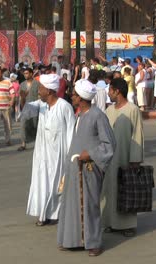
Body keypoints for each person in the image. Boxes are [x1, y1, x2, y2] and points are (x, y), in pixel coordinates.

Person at [57, 79, 116, 257]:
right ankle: (75, 240)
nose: (71, 97)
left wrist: (89, 154)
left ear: (81, 98)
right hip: (74, 169)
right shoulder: (80, 115)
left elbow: (109, 144)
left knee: (89, 206)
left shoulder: (98, 115)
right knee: (72, 204)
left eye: (74, 95)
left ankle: (94, 242)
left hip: (89, 168)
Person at [24, 74, 75, 226]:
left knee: (56, 184)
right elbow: (26, 112)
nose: (38, 90)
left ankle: (57, 214)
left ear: (50, 91)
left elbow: (71, 132)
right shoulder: (41, 105)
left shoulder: (65, 107)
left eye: (41, 88)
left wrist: (71, 155)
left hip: (59, 155)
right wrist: (21, 99)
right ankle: (42, 214)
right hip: (42, 153)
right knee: (41, 182)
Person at [102, 78, 144, 237]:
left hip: (126, 158)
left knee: (126, 190)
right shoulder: (108, 111)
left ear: (117, 91)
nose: (108, 93)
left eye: (110, 90)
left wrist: (135, 159)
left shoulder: (133, 110)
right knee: (109, 190)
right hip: (109, 159)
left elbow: (137, 135)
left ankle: (127, 225)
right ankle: (110, 222)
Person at [18, 68, 41, 151]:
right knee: (23, 125)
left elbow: (40, 96)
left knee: (35, 125)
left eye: (27, 73)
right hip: (25, 107)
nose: (25, 75)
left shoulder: (37, 84)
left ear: (31, 74)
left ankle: (37, 143)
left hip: (35, 107)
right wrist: (21, 108)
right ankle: (23, 143)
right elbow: (21, 97)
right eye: (24, 73)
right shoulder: (22, 84)